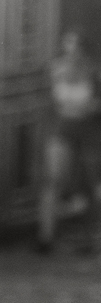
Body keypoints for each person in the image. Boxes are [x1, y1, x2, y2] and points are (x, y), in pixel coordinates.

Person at [36, 30, 99, 253]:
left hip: (88, 131)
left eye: (77, 45)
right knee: (53, 180)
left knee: (89, 185)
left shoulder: (93, 71)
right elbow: (46, 102)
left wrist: (93, 107)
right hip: (62, 129)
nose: (73, 49)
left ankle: (89, 239)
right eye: (69, 44)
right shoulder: (55, 69)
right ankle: (46, 237)